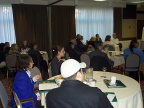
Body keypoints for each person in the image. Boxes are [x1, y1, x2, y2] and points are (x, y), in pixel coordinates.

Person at [46, 59, 113, 108]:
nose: (83, 74)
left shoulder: (50, 95)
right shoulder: (95, 94)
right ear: (79, 75)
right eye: (82, 71)